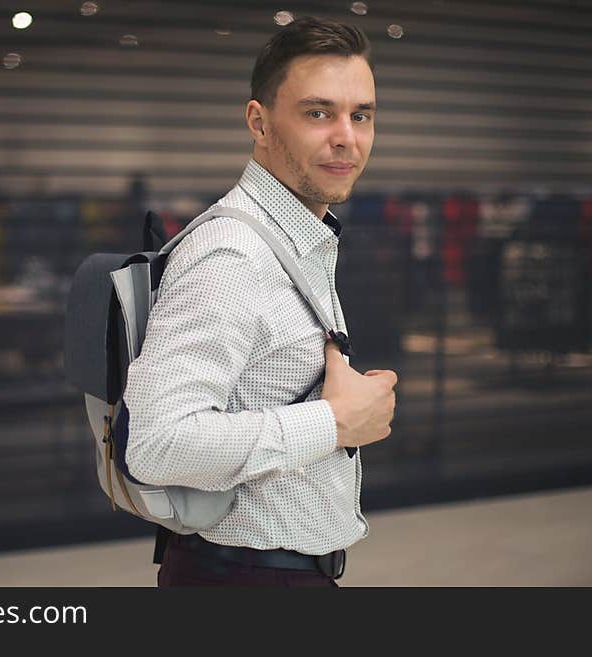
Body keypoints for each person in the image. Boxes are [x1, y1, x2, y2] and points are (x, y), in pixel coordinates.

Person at [123, 16, 398, 587]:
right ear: (260, 122)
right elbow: (155, 444)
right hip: (243, 580)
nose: (346, 136)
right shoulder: (233, 257)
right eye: (318, 113)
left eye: (361, 114)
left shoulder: (297, 238)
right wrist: (333, 422)